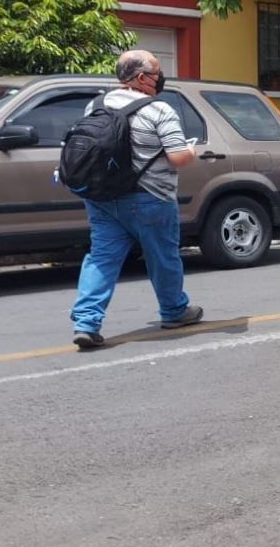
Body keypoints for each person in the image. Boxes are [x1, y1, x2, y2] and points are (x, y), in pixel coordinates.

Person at [70, 51, 204, 348]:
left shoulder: (96, 104)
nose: (162, 77)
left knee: (102, 258)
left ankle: (86, 322)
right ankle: (174, 310)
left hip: (102, 197)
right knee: (163, 257)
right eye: (158, 72)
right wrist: (193, 150)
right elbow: (178, 156)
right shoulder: (159, 109)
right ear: (142, 78)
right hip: (150, 198)